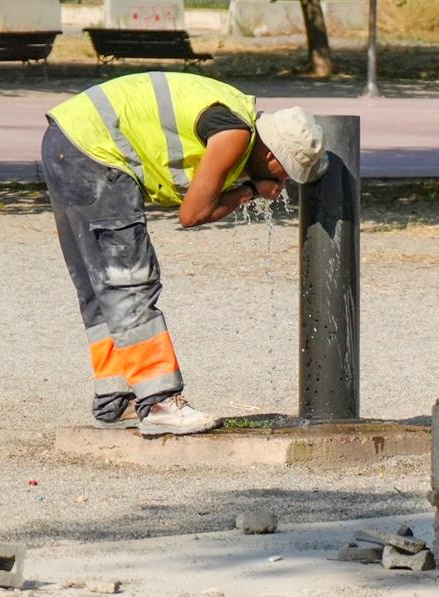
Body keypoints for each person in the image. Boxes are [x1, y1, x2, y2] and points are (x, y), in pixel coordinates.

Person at [40, 72, 327, 435]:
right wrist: (251, 189)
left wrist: (251, 184)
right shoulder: (234, 135)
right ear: (270, 153)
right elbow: (192, 215)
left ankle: (113, 399)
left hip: (68, 140)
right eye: (285, 172)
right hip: (94, 151)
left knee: (101, 285)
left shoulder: (235, 118)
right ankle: (159, 403)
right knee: (129, 280)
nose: (284, 182)